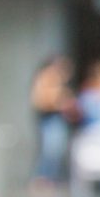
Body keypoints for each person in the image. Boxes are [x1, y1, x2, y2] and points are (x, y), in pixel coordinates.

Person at [29, 53, 75, 186]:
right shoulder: (48, 77)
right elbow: (42, 101)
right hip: (50, 117)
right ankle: (42, 179)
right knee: (50, 150)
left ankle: (47, 180)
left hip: (53, 117)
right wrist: (61, 104)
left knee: (55, 150)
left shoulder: (53, 79)